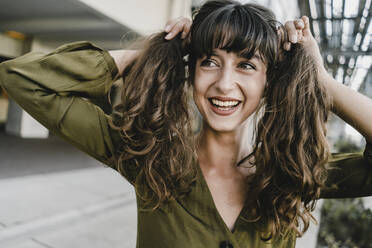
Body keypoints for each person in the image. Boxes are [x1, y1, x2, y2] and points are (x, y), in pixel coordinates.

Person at [1, 0, 372, 247]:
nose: (224, 83)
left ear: (269, 81)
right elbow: (23, 79)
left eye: (246, 65)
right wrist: (157, 51)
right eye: (209, 61)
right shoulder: (146, 155)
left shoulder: (292, 173)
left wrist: (318, 78)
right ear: (191, 71)